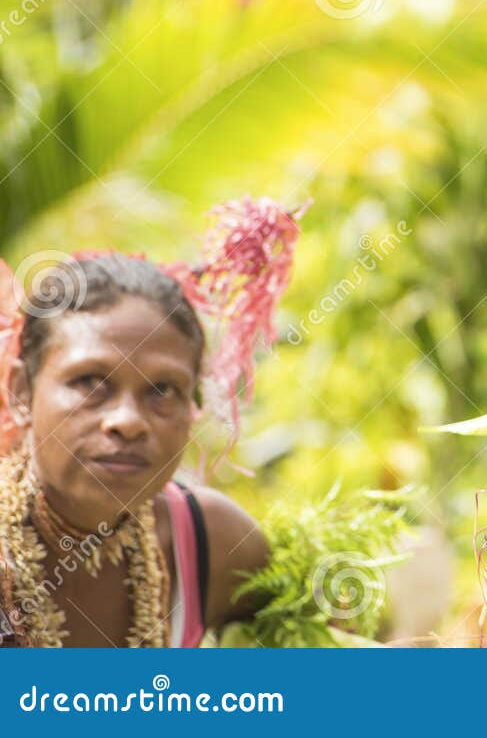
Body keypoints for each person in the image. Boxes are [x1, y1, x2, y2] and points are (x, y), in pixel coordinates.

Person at [0, 199, 300, 647]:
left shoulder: (210, 543)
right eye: (89, 382)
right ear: (22, 392)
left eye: (162, 391)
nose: (128, 421)